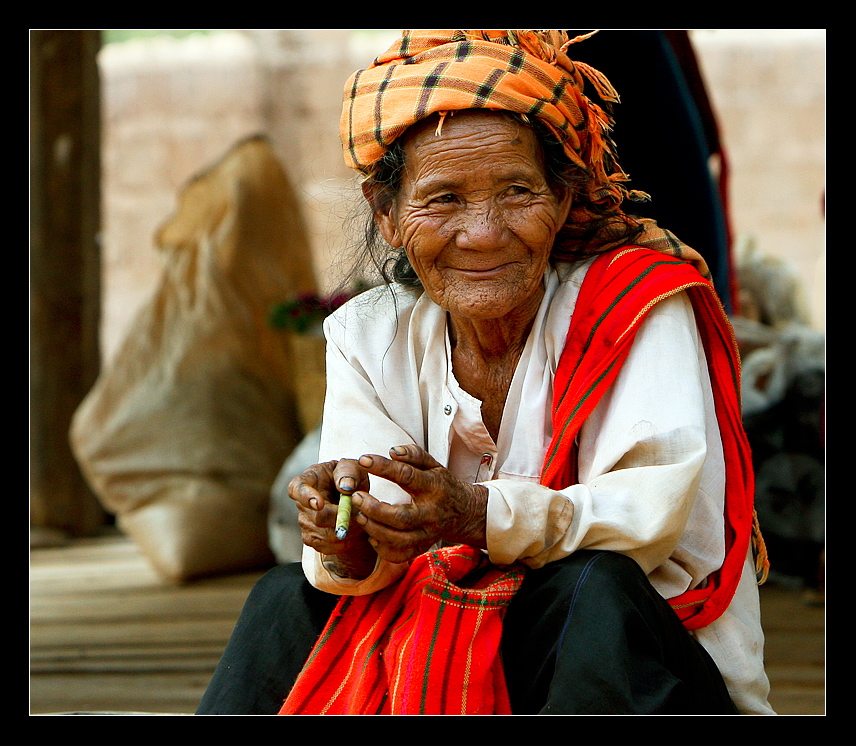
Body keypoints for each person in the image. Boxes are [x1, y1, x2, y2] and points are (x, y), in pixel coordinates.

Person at [197, 29, 773, 716]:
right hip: (468, 650)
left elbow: (648, 522)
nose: (484, 233)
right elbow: (375, 530)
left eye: (516, 192)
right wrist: (350, 540)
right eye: (442, 199)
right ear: (387, 215)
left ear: (562, 201)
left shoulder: (638, 306)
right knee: (285, 597)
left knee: (594, 588)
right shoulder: (369, 333)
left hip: (638, 668)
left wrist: (476, 515)